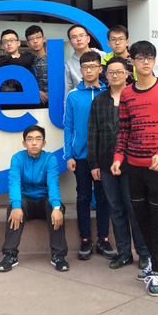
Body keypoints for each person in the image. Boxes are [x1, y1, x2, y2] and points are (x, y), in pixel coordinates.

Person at [111, 41, 158, 297]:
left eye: (149, 57)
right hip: (134, 166)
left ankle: (156, 271)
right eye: (140, 57)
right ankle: (157, 259)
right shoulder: (127, 94)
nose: (145, 62)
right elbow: (124, 129)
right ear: (132, 61)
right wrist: (118, 157)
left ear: (154, 60)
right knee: (141, 218)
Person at [88, 57, 150, 270]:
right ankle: (124, 253)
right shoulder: (99, 100)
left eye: (119, 72)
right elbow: (92, 132)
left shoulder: (135, 97)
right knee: (116, 209)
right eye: (111, 72)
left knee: (135, 209)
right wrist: (94, 163)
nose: (115, 76)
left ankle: (143, 252)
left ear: (127, 73)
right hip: (106, 164)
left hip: (132, 163)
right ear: (105, 75)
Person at [64, 51, 114, 261]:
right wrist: (69, 155)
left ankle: (103, 239)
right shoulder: (73, 95)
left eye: (93, 66)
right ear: (80, 70)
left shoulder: (109, 93)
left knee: (103, 198)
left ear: (100, 69)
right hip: (81, 156)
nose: (89, 70)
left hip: (104, 156)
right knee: (83, 197)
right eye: (85, 67)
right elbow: (68, 126)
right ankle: (85, 239)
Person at [0, 125, 69, 272]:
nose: (34, 143)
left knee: (56, 208)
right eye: (30, 139)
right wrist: (16, 206)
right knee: (13, 209)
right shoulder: (18, 158)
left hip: (44, 201)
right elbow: (14, 183)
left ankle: (58, 255)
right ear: (24, 143)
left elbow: (53, 184)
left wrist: (57, 207)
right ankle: (10, 254)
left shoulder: (50, 159)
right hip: (27, 202)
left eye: (38, 139)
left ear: (44, 143)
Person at [65, 24, 105, 96]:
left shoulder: (103, 56)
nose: (78, 39)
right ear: (70, 43)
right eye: (74, 37)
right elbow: (68, 88)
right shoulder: (69, 64)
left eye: (81, 36)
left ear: (88, 38)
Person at [25, 25, 49, 106]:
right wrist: (36, 91)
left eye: (38, 37)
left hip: (55, 101)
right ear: (27, 43)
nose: (35, 41)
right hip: (35, 103)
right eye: (31, 39)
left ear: (44, 39)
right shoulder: (27, 62)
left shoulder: (54, 60)